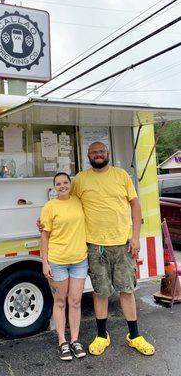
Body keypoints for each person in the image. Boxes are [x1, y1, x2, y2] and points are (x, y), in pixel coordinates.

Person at [71, 141, 155, 356]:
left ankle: (134, 336)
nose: (98, 155)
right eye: (94, 153)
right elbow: (69, 206)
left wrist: (135, 237)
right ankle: (101, 335)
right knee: (100, 292)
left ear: (107, 153)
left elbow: (135, 205)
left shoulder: (122, 176)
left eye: (101, 151)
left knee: (127, 290)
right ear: (88, 156)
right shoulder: (80, 179)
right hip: (95, 246)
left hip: (122, 245)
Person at [40, 172, 87, 361]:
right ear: (54, 187)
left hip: (79, 261)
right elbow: (44, 235)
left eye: (65, 182)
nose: (62, 186)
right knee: (59, 302)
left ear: (70, 184)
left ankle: (75, 340)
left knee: (75, 302)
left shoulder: (78, 201)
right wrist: (45, 262)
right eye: (58, 184)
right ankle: (62, 341)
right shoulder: (49, 207)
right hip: (57, 261)